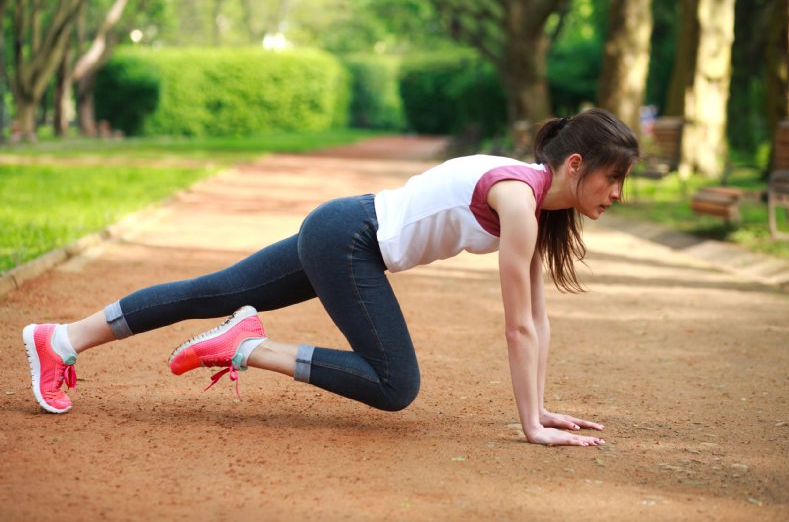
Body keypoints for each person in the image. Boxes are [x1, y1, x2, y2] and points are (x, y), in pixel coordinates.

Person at [22, 108, 639, 447]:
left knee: (211, 291)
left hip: (343, 230)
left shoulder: (535, 206)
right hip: (349, 238)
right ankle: (248, 346)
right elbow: (516, 329)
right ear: (575, 164)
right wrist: (530, 425)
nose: (617, 193)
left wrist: (540, 411)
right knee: (396, 384)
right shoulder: (517, 197)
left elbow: (538, 319)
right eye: (612, 178)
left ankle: (63, 339)